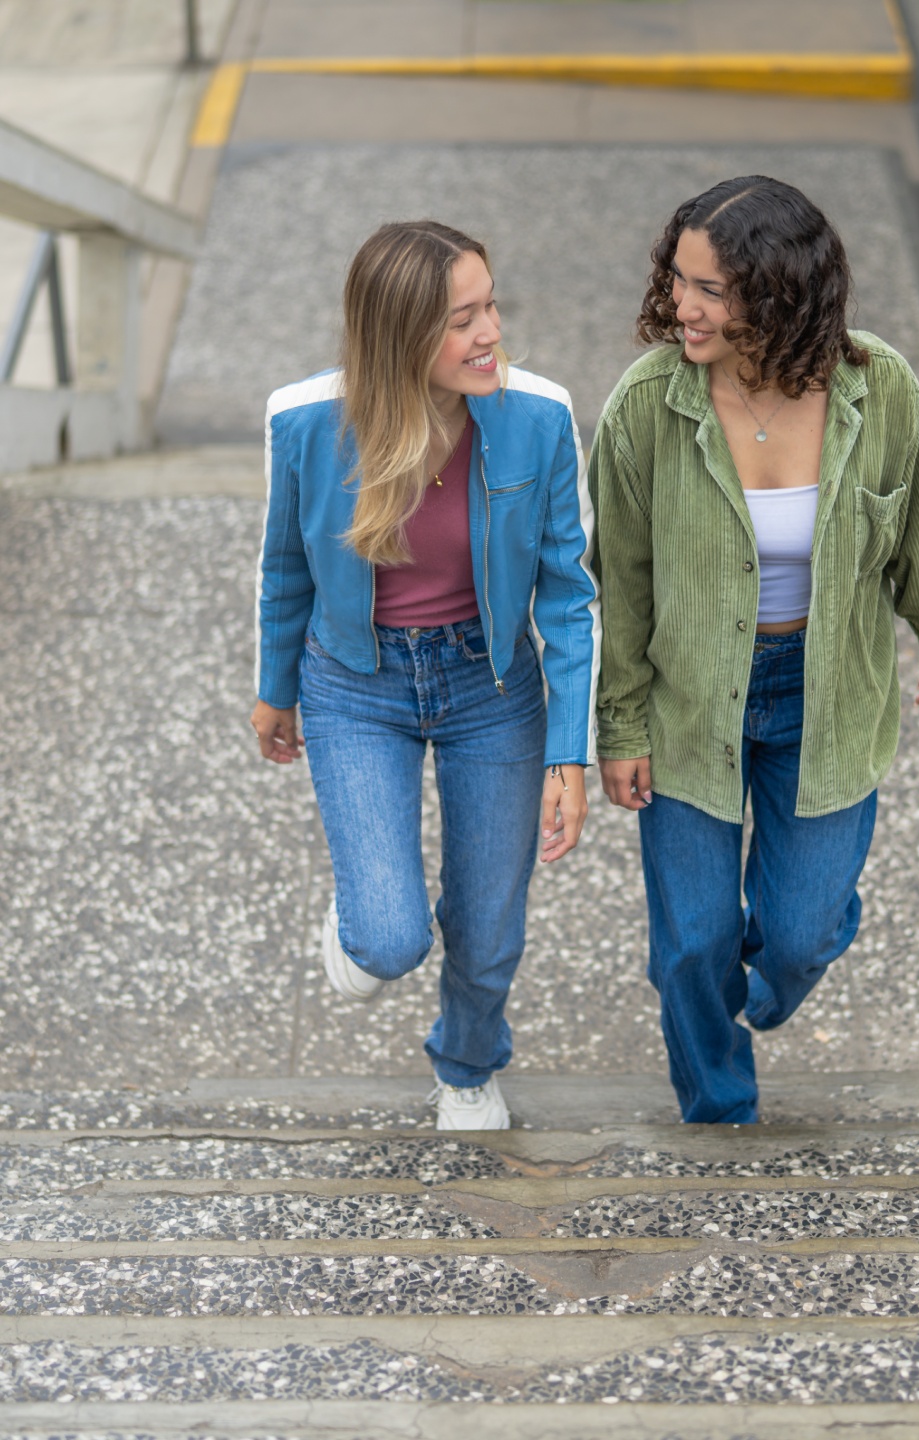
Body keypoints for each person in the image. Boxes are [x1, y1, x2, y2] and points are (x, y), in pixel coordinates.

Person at [588, 176, 919, 1124]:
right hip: (690, 702)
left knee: (801, 934)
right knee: (693, 942)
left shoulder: (878, 389)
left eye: (711, 289)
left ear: (780, 290)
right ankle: (719, 1107)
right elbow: (621, 583)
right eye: (678, 279)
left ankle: (777, 962)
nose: (683, 306)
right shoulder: (646, 406)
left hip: (826, 692)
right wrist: (621, 723)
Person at [251, 221, 600, 1131]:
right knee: (389, 937)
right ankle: (366, 916)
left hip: (493, 688)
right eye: (461, 320)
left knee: (489, 927)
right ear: (398, 336)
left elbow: (568, 595)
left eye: (490, 307)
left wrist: (573, 751)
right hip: (356, 687)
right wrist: (274, 686)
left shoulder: (539, 416)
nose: (489, 333)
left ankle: (468, 1065)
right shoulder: (305, 423)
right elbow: (285, 566)